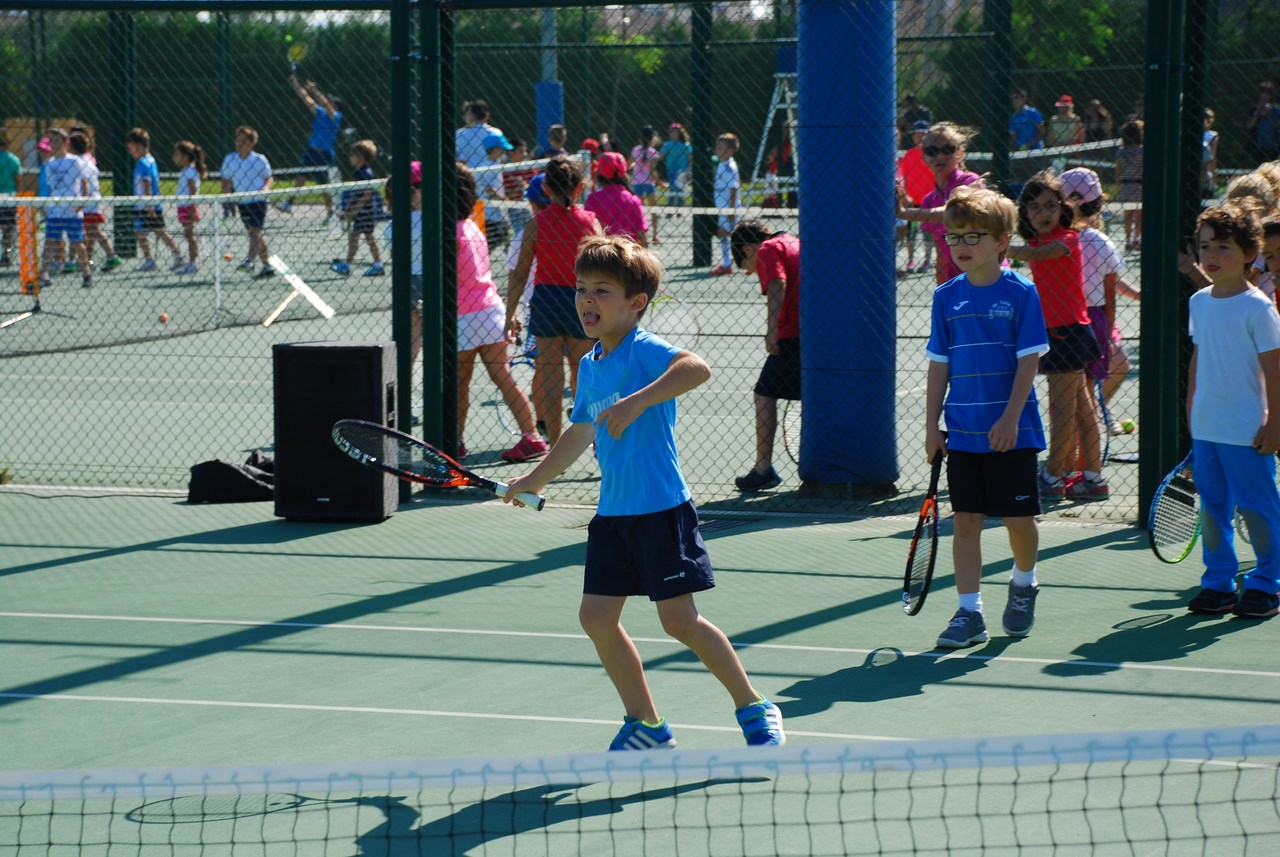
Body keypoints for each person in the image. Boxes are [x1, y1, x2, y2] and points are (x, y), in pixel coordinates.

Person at [501, 234, 785, 750]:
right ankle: (647, 724)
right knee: (595, 617)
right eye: (582, 288)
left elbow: (696, 367)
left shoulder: (643, 349)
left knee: (679, 621)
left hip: (660, 509)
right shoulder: (590, 364)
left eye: (602, 290)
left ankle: (753, 705)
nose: (587, 299)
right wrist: (533, 480)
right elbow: (579, 431)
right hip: (613, 515)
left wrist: (636, 401)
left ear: (636, 303)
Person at [925, 185, 1049, 648]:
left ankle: (1024, 582)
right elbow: (939, 364)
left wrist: (1011, 417)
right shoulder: (945, 297)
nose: (961, 245)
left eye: (972, 236)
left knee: (1018, 521)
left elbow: (1029, 360)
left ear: (1001, 241)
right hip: (962, 432)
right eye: (953, 237)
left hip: (1012, 432)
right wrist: (931, 426)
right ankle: (969, 612)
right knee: (966, 522)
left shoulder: (1021, 293)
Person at [1185, 202, 1280, 618]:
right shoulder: (1199, 302)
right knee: (1213, 509)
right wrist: (1192, 407)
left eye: (1223, 246)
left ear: (1248, 254)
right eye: (1205, 245)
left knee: (1257, 508)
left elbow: (1274, 369)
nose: (1211, 255)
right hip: (1207, 427)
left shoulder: (1259, 308)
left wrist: (1275, 422)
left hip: (1247, 430)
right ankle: (1219, 583)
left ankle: (1267, 583)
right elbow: (1199, 357)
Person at [1006, 171, 1103, 499]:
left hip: (1068, 334)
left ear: (1063, 208)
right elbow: (1031, 253)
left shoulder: (1068, 239)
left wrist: (996, 245)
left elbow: (1038, 255)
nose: (1043, 213)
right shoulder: (1035, 242)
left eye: (1050, 205)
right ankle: (1093, 477)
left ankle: (1051, 476)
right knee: (1081, 408)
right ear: (1026, 214)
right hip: (1058, 333)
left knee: (1063, 410)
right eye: (1034, 207)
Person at [452, 162, 547, 464]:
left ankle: (455, 442)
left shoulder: (449, 232)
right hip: (490, 311)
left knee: (459, 383)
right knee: (503, 377)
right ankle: (532, 437)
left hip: (465, 318)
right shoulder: (473, 227)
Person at [505, 154, 603, 445]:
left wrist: (509, 313)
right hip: (581, 300)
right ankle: (594, 441)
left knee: (550, 374)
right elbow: (605, 270)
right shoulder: (590, 223)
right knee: (584, 372)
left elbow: (519, 274)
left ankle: (556, 447)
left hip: (546, 300)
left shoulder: (536, 224)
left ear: (546, 188)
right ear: (580, 187)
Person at [1060, 167, 1140, 442]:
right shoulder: (1063, 240)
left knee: (1118, 366)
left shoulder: (1094, 240)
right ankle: (1088, 424)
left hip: (1095, 316)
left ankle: (1096, 410)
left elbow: (1109, 281)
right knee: (1077, 385)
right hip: (1081, 317)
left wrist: (1138, 294)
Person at [730, 219, 801, 492]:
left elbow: (776, 283)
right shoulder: (793, 241)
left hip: (792, 335)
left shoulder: (768, 250)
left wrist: (771, 331)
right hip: (813, 334)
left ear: (747, 250)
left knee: (764, 394)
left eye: (746, 265)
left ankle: (763, 469)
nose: (751, 271)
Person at [897, 123, 984, 285]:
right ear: (924, 157)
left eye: (948, 149)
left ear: (960, 154)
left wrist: (904, 213)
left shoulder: (970, 181)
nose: (940, 156)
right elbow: (941, 255)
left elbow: (954, 211)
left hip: (984, 275)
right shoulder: (930, 200)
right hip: (955, 279)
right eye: (932, 151)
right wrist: (942, 291)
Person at [281, 74, 343, 219]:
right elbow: (306, 99)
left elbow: (326, 105)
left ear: (336, 106)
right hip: (311, 152)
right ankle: (289, 203)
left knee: (323, 185)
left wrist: (314, 89)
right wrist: (295, 84)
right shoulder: (320, 113)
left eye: (331, 101)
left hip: (324, 155)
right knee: (301, 177)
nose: (328, 102)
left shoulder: (337, 117)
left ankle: (330, 211)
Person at [39, 127, 92, 290]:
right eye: (51, 141)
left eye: (56, 141)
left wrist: (81, 203)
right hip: (55, 211)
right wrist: (45, 206)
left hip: (72, 211)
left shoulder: (75, 161)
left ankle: (86, 274)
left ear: (66, 142)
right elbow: (49, 188)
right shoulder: (49, 164)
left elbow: (84, 184)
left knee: (77, 242)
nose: (53, 144)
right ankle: (43, 274)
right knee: (50, 242)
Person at [126, 127, 183, 273]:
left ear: (139, 146)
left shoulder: (144, 163)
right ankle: (151, 259)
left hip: (147, 205)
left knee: (158, 231)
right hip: (144, 205)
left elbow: (148, 184)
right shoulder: (150, 161)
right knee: (141, 231)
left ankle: (177, 255)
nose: (130, 151)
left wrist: (150, 205)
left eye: (131, 148)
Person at [220, 125, 275, 278]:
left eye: (242, 141)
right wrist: (228, 198)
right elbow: (225, 180)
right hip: (242, 202)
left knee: (255, 231)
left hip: (258, 201)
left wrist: (265, 188)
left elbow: (269, 178)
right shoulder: (230, 159)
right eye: (237, 140)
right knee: (254, 233)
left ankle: (249, 261)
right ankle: (267, 266)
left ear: (251, 143)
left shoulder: (259, 159)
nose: (238, 143)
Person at [331, 139, 384, 277]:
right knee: (365, 237)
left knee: (359, 237)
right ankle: (376, 264)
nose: (350, 157)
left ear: (360, 157)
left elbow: (368, 193)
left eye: (352, 155)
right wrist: (348, 209)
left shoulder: (365, 173)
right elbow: (356, 193)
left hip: (366, 212)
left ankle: (349, 265)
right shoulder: (358, 172)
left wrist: (356, 209)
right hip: (362, 212)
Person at [70, 131, 120, 273]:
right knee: (90, 233)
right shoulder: (87, 160)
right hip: (90, 202)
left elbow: (84, 184)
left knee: (93, 231)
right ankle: (88, 260)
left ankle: (112, 255)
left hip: (88, 203)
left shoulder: (79, 162)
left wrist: (82, 202)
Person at [585, 152, 648, 246]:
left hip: (601, 252)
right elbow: (641, 235)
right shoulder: (633, 200)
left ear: (599, 175)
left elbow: (586, 229)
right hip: (628, 251)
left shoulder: (593, 199)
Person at [898, 119, 935, 274]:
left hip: (930, 201)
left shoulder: (933, 154)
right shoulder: (909, 154)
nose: (919, 138)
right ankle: (911, 260)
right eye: (916, 135)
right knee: (911, 233)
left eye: (922, 135)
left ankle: (927, 260)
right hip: (912, 202)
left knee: (928, 232)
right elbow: (902, 177)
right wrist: (905, 196)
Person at [171, 140, 206, 274]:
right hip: (183, 207)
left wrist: (192, 209)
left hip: (188, 207)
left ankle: (192, 263)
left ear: (185, 156)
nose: (174, 156)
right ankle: (192, 262)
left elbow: (192, 191)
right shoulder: (187, 170)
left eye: (177, 153)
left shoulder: (190, 171)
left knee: (190, 236)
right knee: (188, 235)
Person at [710, 133, 740, 276]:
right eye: (717, 146)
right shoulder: (722, 165)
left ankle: (729, 264)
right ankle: (727, 264)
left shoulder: (729, 167)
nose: (717, 149)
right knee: (726, 235)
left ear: (730, 151)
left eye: (720, 147)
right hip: (723, 209)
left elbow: (733, 189)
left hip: (729, 209)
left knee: (734, 236)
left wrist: (731, 211)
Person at [479, 132, 514, 254]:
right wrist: (504, 201)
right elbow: (490, 190)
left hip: (499, 213)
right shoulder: (486, 166)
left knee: (508, 244)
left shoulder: (497, 164)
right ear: (494, 149)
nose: (504, 151)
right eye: (501, 148)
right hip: (489, 215)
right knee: (488, 247)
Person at [629, 126, 661, 242]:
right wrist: (659, 182)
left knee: (639, 211)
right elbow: (652, 170)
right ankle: (655, 235)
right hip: (649, 183)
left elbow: (629, 163)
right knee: (653, 209)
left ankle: (640, 235)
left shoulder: (635, 150)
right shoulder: (653, 153)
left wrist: (634, 166)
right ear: (653, 138)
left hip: (637, 182)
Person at [1116, 119, 1144, 251]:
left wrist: (1118, 187)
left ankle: (1128, 240)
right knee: (1139, 215)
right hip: (1140, 185)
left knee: (1128, 215)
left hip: (1126, 184)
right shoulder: (1143, 150)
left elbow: (1118, 171)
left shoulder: (1121, 151)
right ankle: (1137, 239)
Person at [456, 99, 502, 169]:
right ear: (487, 116)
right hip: (495, 175)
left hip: (470, 175)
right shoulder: (496, 132)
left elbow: (461, 162)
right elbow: (501, 158)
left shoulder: (459, 134)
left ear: (469, 117)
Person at [658, 122, 692, 214]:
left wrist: (689, 171)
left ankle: (679, 210)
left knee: (680, 189)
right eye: (671, 131)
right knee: (673, 188)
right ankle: (670, 209)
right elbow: (660, 155)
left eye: (675, 131)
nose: (673, 133)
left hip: (682, 171)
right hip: (671, 170)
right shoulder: (667, 144)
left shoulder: (686, 145)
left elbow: (690, 159)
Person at [1246, 81, 1280, 164]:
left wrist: (1270, 115)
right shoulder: (1254, 109)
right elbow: (1249, 127)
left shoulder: (1277, 109)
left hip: (1275, 145)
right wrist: (1258, 113)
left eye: (1267, 93)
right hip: (1258, 147)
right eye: (1262, 93)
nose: (1263, 96)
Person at [0, 127, 18, 267]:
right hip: (9, 196)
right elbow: (18, 180)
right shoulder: (13, 159)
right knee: (8, 226)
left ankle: (4, 252)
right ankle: (6, 252)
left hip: (6, 195)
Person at [1203, 108, 1220, 198]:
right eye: (1206, 117)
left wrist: (1213, 179)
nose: (1208, 120)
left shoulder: (1213, 135)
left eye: (1211, 117)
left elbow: (1212, 157)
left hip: (1205, 171)